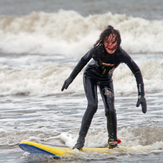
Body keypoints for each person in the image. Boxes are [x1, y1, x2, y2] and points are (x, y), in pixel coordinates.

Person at [61, 25, 147, 150]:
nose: (110, 45)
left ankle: (112, 142)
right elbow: (82, 61)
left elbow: (137, 71)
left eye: (113, 42)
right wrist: (70, 78)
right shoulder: (97, 50)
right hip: (90, 76)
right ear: (103, 41)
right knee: (92, 105)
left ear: (118, 42)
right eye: (107, 42)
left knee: (110, 110)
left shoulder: (121, 54)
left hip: (106, 80)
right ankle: (80, 141)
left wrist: (141, 95)